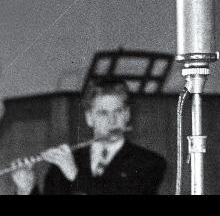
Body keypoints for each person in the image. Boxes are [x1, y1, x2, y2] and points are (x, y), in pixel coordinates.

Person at [11, 80, 166, 195]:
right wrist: (26, 189)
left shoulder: (150, 163)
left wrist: (74, 175)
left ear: (127, 115)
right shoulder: (62, 165)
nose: (112, 121)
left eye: (118, 112)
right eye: (103, 113)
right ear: (89, 118)